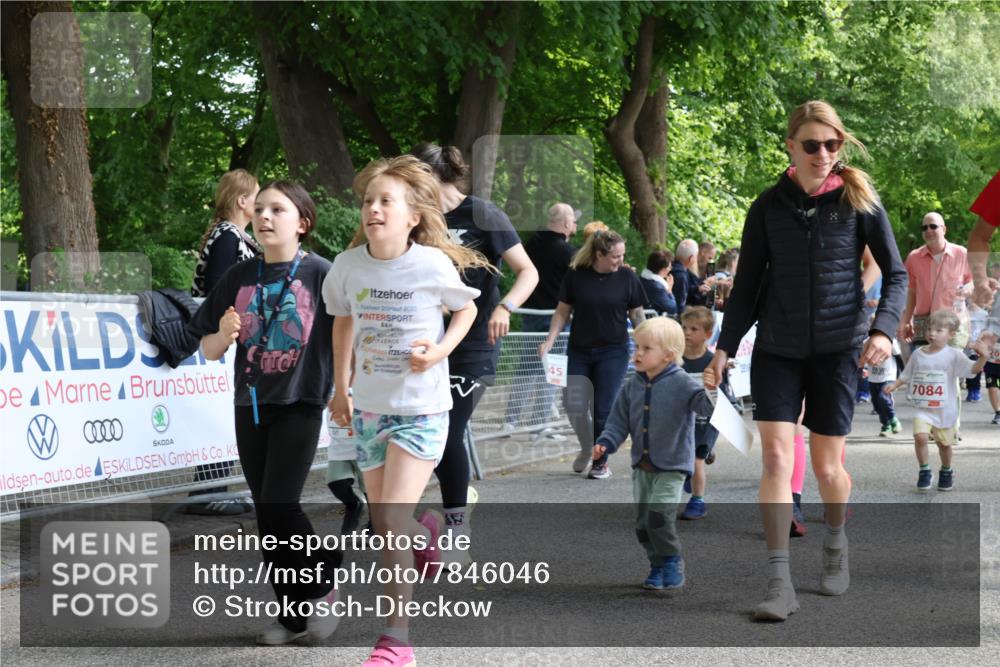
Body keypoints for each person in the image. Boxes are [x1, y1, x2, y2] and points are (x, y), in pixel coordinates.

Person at [707, 100, 907, 621]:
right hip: (778, 348)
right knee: (775, 459)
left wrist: (884, 330)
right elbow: (747, 285)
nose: (823, 154)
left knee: (827, 467)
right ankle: (779, 582)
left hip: (838, 350)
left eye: (832, 145)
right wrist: (723, 349)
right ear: (791, 146)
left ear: (841, 146)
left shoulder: (858, 202)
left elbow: (897, 274)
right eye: (812, 145)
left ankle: (836, 543)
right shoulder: (767, 206)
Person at [324, 155, 483, 666]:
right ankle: (428, 532)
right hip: (368, 407)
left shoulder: (432, 264)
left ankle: (396, 642)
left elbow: (467, 308)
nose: (373, 208)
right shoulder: (347, 267)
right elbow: (342, 322)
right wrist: (340, 386)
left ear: (413, 215)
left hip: (421, 409)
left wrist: (438, 352)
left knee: (390, 518)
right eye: (368, 200)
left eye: (385, 201)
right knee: (385, 523)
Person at [188, 180, 341, 645]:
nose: (265, 217)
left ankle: (321, 584)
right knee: (267, 515)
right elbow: (209, 348)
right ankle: (293, 617)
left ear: (303, 222)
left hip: (301, 402)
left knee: (280, 504)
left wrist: (346, 389)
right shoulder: (239, 277)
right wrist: (225, 332)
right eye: (259, 209)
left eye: (278, 209)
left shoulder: (322, 274)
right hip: (250, 404)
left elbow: (347, 334)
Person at [411, 143, 538, 563]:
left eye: (415, 178)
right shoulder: (416, 219)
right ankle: (416, 521)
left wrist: (505, 307)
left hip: (475, 342)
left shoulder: (483, 214)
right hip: (427, 343)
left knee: (448, 430)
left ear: (434, 175)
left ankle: (456, 534)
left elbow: (528, 272)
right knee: (423, 435)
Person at [591, 317, 717, 590]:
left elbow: (706, 409)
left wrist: (710, 389)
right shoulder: (632, 384)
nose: (637, 353)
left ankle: (672, 559)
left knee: (659, 515)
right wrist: (606, 442)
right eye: (636, 346)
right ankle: (656, 564)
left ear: (669, 356)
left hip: (673, 465)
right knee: (643, 525)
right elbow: (618, 420)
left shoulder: (682, 382)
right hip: (642, 466)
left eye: (646, 349)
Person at [539, 229, 647, 479]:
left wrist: (644, 346)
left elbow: (637, 315)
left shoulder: (627, 277)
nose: (620, 261)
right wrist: (549, 341)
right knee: (573, 404)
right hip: (579, 349)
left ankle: (601, 460)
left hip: (613, 351)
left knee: (603, 408)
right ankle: (588, 446)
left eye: (622, 256)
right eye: (615, 257)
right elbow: (562, 311)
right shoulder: (576, 275)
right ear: (599, 254)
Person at [187, 169, 260, 516]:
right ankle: (208, 492)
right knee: (222, 412)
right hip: (222, 338)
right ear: (243, 200)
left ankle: (213, 489)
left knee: (227, 412)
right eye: (258, 197)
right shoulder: (229, 237)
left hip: (229, 337)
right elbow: (219, 288)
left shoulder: (232, 236)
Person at [884, 310, 989, 491]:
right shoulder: (918, 354)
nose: (932, 333)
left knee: (944, 444)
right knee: (920, 437)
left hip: (944, 408)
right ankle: (924, 470)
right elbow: (908, 373)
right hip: (922, 407)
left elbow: (973, 370)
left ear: (951, 335)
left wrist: (984, 357)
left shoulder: (954, 355)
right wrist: (895, 384)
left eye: (939, 330)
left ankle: (946, 470)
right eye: (930, 329)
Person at [505, 202, 579, 428]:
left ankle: (511, 421)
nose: (575, 224)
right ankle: (540, 424)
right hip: (556, 319)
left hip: (530, 315)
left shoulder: (529, 245)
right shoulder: (569, 252)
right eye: (573, 221)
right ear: (566, 223)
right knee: (553, 370)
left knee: (526, 368)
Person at [898, 212, 973, 351]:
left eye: (933, 226)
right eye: (924, 228)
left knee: (950, 370)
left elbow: (973, 281)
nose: (928, 231)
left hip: (953, 323)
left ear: (944, 229)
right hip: (923, 323)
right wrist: (906, 319)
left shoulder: (961, 253)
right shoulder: (913, 258)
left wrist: (968, 287)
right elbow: (911, 291)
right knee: (923, 370)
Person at [679, 306, 722, 520]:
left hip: (707, 421)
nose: (687, 332)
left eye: (693, 329)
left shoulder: (713, 362)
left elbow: (723, 400)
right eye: (684, 327)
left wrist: (715, 383)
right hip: (681, 420)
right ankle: (695, 467)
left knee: (696, 460)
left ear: (707, 333)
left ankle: (697, 501)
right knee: (684, 461)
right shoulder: (674, 359)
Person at [671, 239, 712, 311]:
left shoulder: (670, 267)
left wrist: (697, 289)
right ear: (691, 258)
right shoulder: (681, 275)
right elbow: (680, 305)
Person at [640, 250, 678, 316]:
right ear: (663, 269)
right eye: (669, 267)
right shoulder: (657, 287)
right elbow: (672, 308)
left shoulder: (641, 279)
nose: (670, 269)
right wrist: (670, 290)